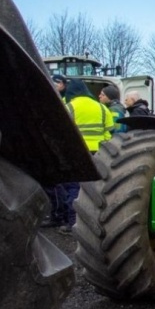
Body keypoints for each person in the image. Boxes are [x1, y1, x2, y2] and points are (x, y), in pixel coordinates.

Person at [46, 78, 113, 233]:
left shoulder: (70, 106)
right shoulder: (102, 108)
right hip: (99, 153)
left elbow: (60, 130)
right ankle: (97, 221)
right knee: (97, 188)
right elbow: (109, 130)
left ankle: (72, 223)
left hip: (78, 152)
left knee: (74, 187)